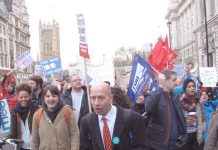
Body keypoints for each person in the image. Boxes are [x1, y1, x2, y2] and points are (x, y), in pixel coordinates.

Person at [80, 82, 146, 150]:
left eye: (101, 98)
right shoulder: (86, 121)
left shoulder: (133, 118)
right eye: (93, 98)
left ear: (111, 98)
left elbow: (141, 146)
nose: (96, 103)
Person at [145, 70, 187, 150]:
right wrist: (160, 87)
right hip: (159, 145)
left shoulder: (175, 96)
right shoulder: (153, 94)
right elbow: (148, 108)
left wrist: (184, 135)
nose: (176, 82)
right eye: (173, 80)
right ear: (165, 81)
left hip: (176, 145)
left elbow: (181, 118)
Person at [31, 84, 79, 150]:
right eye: (48, 96)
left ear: (58, 97)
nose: (51, 99)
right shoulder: (37, 115)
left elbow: (74, 135)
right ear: (44, 98)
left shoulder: (67, 111)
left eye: (54, 96)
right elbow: (35, 141)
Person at [9, 83, 39, 150]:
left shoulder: (36, 110)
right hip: (21, 146)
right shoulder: (14, 112)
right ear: (17, 97)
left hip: (35, 146)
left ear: (29, 96)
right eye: (21, 97)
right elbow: (12, 131)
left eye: (26, 97)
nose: (23, 99)